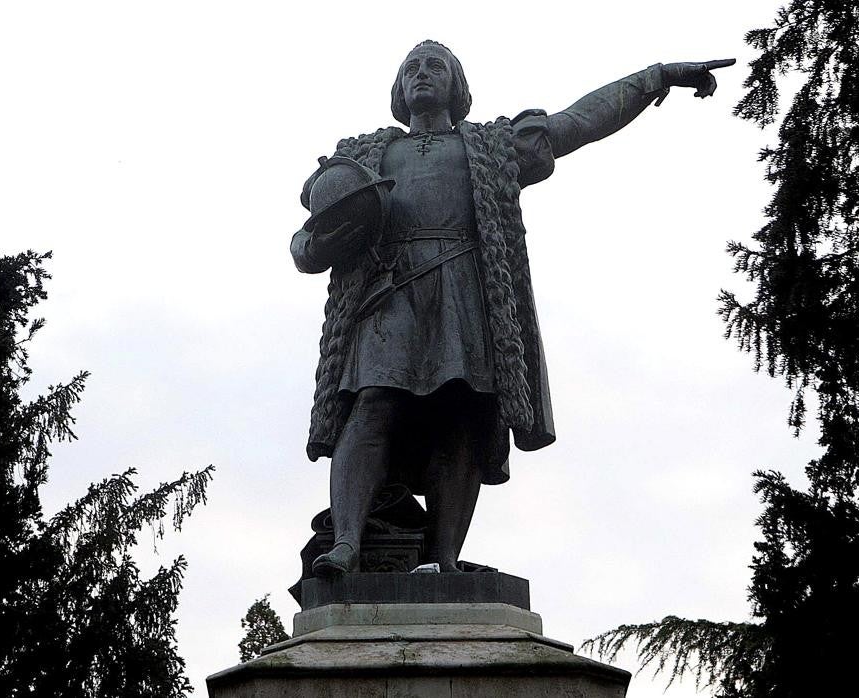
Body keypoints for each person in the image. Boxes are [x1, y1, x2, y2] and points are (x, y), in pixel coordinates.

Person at [291, 41, 732, 575]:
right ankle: (346, 545)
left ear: (459, 87)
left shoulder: (494, 145)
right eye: (411, 68)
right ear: (397, 91)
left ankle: (443, 561)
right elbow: (306, 245)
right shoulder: (359, 157)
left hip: (466, 289)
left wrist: (656, 76)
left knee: (462, 414)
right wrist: (316, 245)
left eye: (436, 66)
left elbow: (578, 123)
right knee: (372, 404)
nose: (422, 74)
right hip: (389, 294)